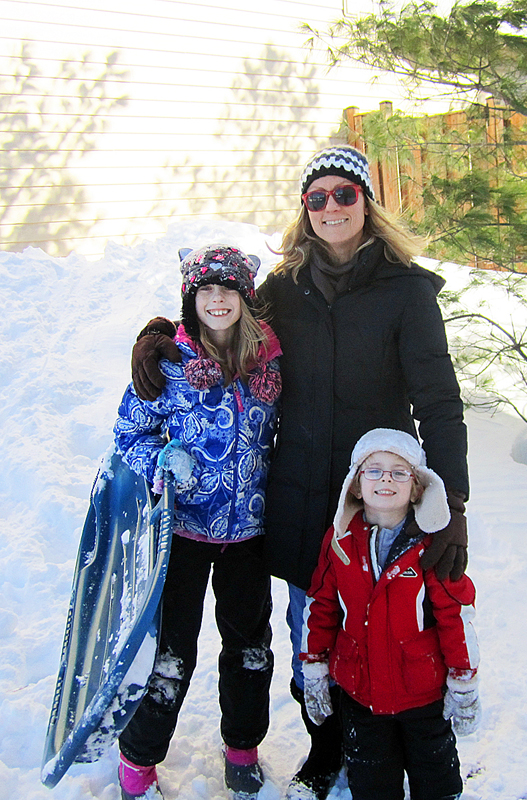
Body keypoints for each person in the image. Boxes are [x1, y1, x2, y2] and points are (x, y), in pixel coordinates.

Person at [130, 146, 470, 800]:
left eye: (345, 195)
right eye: (317, 198)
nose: (331, 208)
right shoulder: (284, 290)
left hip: (379, 499)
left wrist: (451, 501)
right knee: (307, 632)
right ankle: (327, 751)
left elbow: (438, 403)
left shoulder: (406, 293)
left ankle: (387, 747)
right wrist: (158, 334)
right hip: (296, 497)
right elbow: (219, 318)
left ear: (366, 204)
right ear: (304, 210)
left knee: (386, 629)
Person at [113, 245, 281, 800]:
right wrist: (159, 463)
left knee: (249, 646)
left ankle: (242, 749)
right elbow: (128, 436)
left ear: (244, 298)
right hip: (179, 535)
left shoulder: (270, 363)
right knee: (170, 651)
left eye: (227, 288)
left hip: (250, 535)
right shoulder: (166, 364)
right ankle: (137, 759)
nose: (216, 297)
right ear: (191, 299)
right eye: (205, 289)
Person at [300, 428, 480, 800]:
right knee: (372, 785)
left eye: (399, 472)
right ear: (355, 483)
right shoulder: (339, 539)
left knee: (436, 781)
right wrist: (314, 666)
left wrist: (464, 680)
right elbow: (321, 607)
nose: (386, 479)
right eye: (374, 470)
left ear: (416, 487)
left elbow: (455, 616)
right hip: (360, 695)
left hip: (423, 696)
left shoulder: (431, 544)